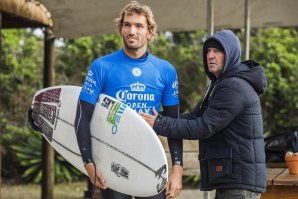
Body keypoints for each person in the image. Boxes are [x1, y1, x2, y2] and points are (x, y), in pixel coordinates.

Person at [140, 30, 267, 199]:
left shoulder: (234, 87)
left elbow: (203, 127)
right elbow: (194, 117)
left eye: (217, 51)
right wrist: (158, 118)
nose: (210, 56)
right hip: (231, 180)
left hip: (239, 183)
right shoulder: (219, 84)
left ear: (231, 54)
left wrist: (158, 124)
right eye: (208, 51)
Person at [75, 1, 183, 199]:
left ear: (150, 32)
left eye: (139, 26)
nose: (132, 30)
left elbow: (174, 123)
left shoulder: (165, 70)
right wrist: (88, 162)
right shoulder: (102, 66)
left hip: (150, 159)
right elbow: (82, 116)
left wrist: (177, 168)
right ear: (121, 29)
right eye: (127, 25)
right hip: (111, 159)